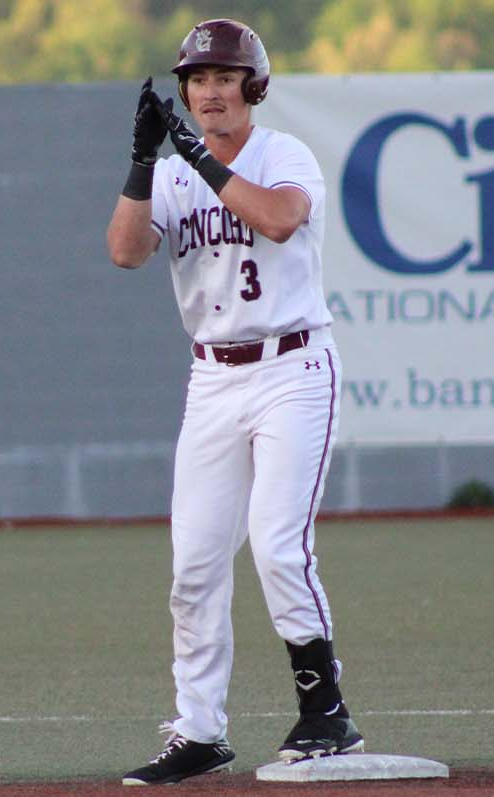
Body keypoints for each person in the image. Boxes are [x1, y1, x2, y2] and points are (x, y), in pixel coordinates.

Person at [106, 17, 363, 787]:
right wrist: (143, 159)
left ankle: (326, 712)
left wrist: (196, 157)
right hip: (214, 376)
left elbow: (280, 218)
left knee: (279, 543)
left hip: (293, 366)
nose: (209, 92)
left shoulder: (284, 153)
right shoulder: (173, 168)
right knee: (194, 563)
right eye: (197, 79)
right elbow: (125, 251)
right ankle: (199, 730)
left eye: (224, 78)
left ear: (253, 85)